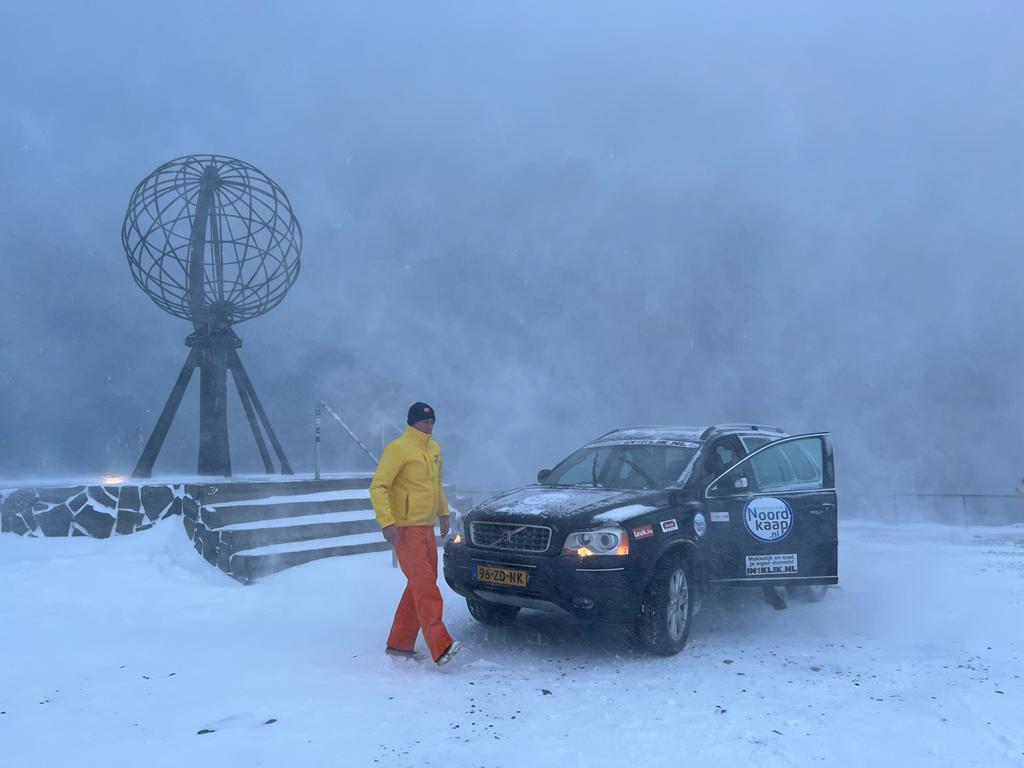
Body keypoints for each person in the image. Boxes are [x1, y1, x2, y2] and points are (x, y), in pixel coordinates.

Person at [370, 402, 461, 667]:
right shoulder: (398, 448)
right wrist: (387, 522)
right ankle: (440, 645)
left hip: (426, 526)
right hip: (404, 528)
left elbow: (436, 485)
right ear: (412, 422)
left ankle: (400, 643)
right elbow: (379, 486)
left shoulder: (434, 448)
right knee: (425, 586)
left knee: (422, 582)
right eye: (424, 422)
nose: (429, 425)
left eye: (432, 421)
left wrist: (443, 513)